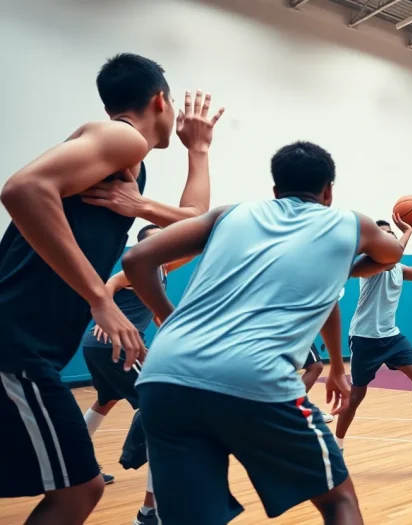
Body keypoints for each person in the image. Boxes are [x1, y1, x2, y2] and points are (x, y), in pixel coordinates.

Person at [122, 141, 404, 525]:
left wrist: (168, 319)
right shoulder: (351, 222)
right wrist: (360, 259)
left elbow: (137, 258)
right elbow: (391, 255)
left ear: (275, 190)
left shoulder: (229, 214)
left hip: (165, 376)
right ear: (328, 191)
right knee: (339, 502)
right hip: (253, 375)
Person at [0, 53, 223, 525]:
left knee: (74, 488)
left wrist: (197, 152)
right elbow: (21, 188)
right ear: (161, 100)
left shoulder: (123, 164)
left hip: (25, 347)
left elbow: (193, 229)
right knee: (80, 491)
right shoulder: (119, 137)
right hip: (16, 346)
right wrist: (101, 299)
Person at [81, 224, 194, 525]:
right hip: (115, 344)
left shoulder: (162, 269)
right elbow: (110, 283)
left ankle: (77, 467)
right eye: (156, 239)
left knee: (105, 401)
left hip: (98, 346)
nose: (166, 242)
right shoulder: (139, 267)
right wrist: (104, 313)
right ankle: (149, 513)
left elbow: (154, 309)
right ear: (142, 247)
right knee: (162, 412)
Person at [334, 215, 412, 468]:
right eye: (383, 235)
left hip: (391, 336)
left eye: (391, 233)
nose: (388, 237)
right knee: (356, 396)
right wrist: (407, 230)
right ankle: (338, 447)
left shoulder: (398, 269)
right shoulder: (371, 264)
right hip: (365, 337)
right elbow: (391, 257)